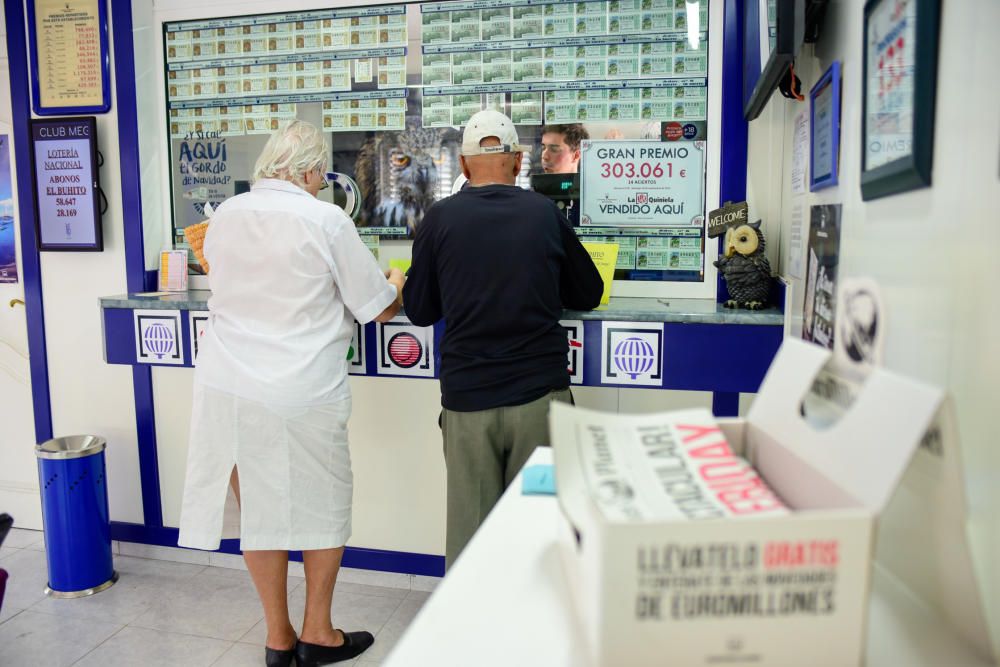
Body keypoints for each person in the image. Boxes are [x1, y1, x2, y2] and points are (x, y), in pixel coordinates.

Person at [177, 120, 404, 667]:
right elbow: (377, 309)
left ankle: (278, 640)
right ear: (308, 170)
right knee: (322, 506)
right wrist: (395, 282)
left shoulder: (224, 216)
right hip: (299, 390)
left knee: (261, 511)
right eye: (319, 175)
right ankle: (318, 633)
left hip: (228, 386)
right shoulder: (324, 219)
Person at [403, 110, 603, 568]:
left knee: (471, 538)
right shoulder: (544, 214)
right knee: (538, 531)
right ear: (517, 162)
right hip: (539, 396)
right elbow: (588, 293)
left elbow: (419, 310)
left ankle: (474, 633)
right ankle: (536, 630)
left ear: (466, 166)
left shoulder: (439, 220)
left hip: (468, 401)